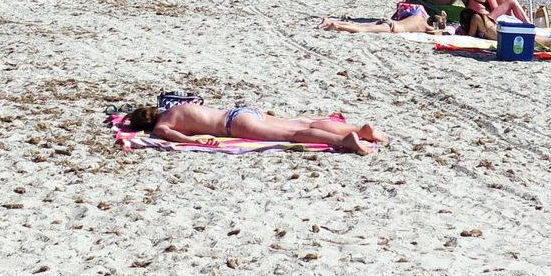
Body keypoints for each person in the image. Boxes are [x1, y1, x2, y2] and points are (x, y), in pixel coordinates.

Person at [125, 100, 386, 155]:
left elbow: (173, 137)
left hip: (234, 124)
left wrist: (197, 142)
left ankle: (346, 142)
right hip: (241, 110)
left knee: (293, 135)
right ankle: (360, 130)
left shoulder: (161, 124)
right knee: (301, 121)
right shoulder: (174, 108)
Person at [319, 3, 436, 36]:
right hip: (391, 27)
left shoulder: (419, 15)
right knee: (361, 30)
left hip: (390, 22)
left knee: (360, 25)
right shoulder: (427, 26)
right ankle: (337, 26)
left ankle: (328, 21)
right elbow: (437, 32)